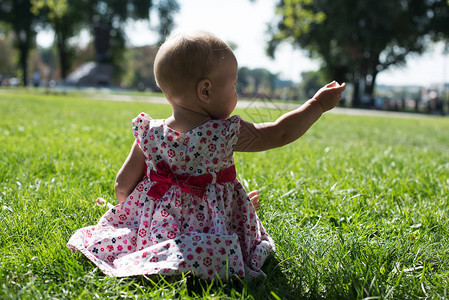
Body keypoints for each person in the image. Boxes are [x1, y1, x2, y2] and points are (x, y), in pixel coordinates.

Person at [67, 29, 345, 281]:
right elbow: (279, 133)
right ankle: (195, 257)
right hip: (210, 229)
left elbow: (122, 184)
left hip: (158, 230)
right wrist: (317, 105)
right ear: (206, 90)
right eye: (234, 85)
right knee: (213, 249)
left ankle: (159, 255)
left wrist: (133, 216)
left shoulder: (149, 132)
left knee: (152, 236)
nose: (237, 92)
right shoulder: (223, 132)